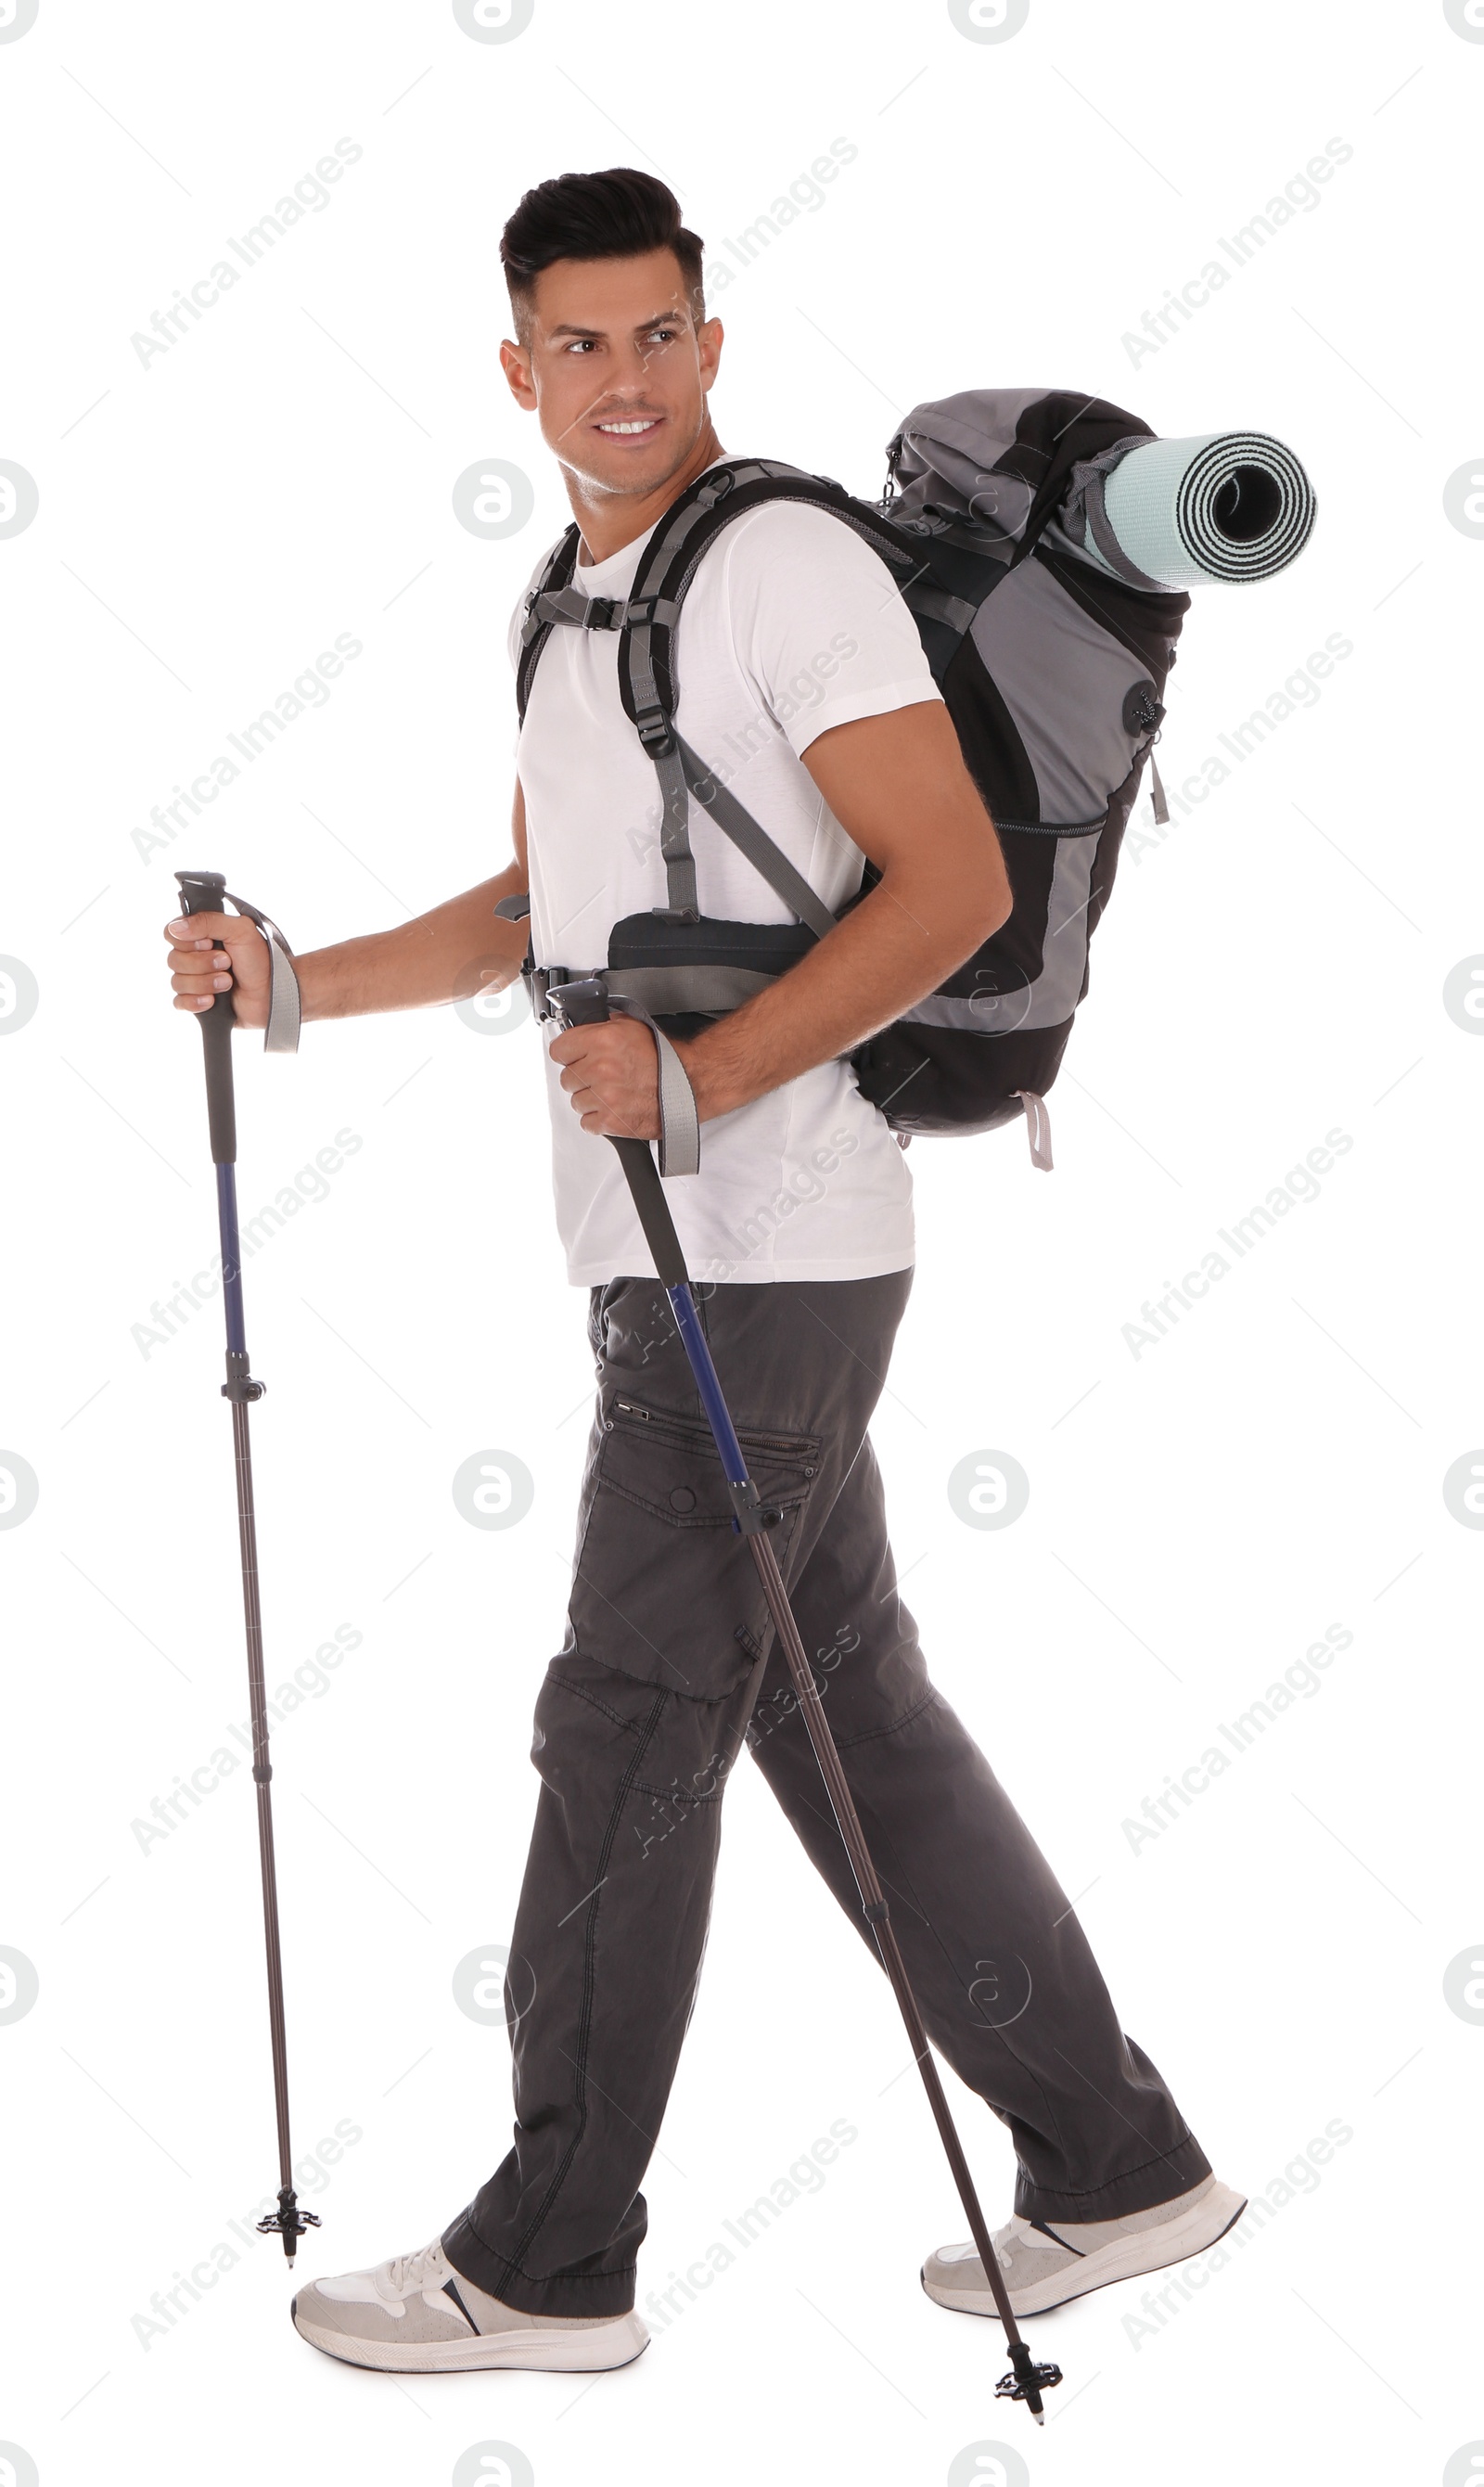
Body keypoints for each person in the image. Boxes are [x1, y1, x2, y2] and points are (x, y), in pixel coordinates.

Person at [162, 167, 1243, 2378]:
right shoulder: (572, 599)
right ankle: (1118, 2165)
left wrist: (714, 1067)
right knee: (844, 1707)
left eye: (657, 334)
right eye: (577, 344)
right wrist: (286, 985)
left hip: (770, 1248)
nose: (622, 380)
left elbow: (940, 887)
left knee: (626, 1714)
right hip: (684, 1258)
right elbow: (529, 902)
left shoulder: (784, 570)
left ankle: (551, 2257)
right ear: (515, 370)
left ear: (709, 344)